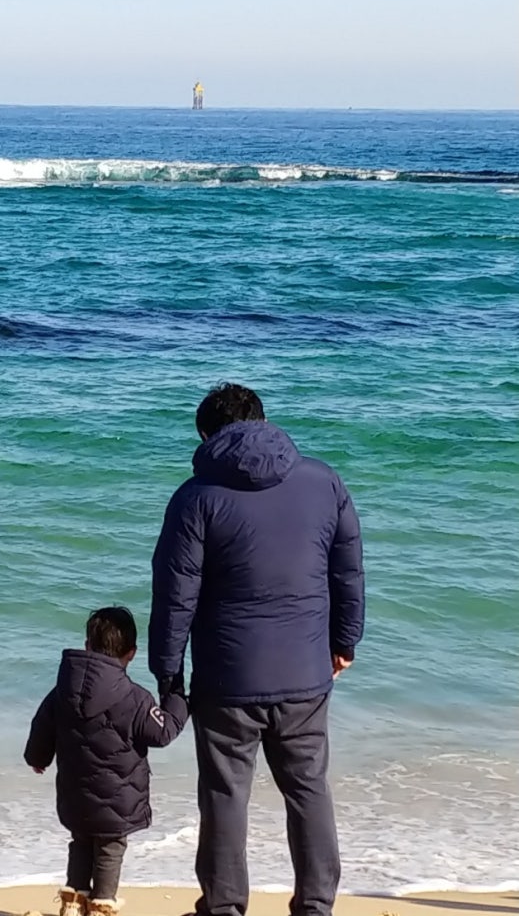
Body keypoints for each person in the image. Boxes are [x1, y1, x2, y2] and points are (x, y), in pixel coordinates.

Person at [149, 383, 365, 916]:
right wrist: (345, 641)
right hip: (306, 673)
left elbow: (175, 595)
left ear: (207, 436)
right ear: (264, 421)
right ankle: (315, 906)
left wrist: (168, 673)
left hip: (227, 679)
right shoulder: (324, 481)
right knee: (308, 789)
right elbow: (348, 571)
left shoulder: (195, 497)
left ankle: (224, 907)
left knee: (225, 794)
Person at [25, 606, 188, 916]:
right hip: (119, 798)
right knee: (110, 849)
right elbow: (163, 732)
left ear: (87, 646)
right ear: (132, 653)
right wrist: (177, 696)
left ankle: (73, 903)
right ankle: (101, 906)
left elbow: (42, 725)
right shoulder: (136, 699)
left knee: (81, 842)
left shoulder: (62, 691)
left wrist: (37, 757)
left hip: (75, 794)